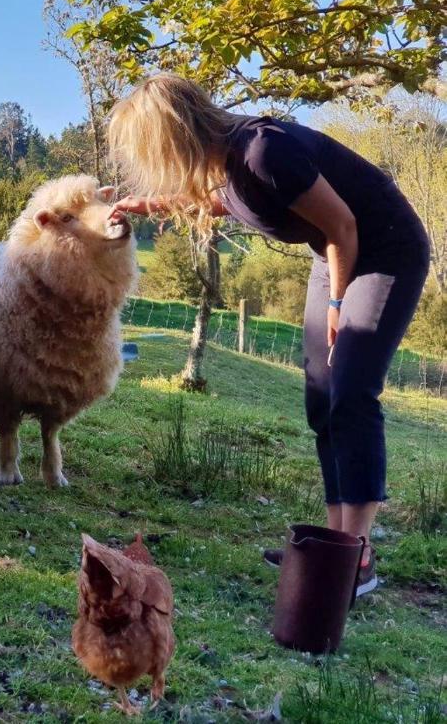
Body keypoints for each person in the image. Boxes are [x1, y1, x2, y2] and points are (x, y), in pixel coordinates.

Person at [108, 73, 430, 597]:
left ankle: (359, 555)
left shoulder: (262, 151)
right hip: (334, 254)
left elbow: (345, 225)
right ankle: (335, 541)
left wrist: (337, 302)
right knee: (321, 396)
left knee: (350, 390)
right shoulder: (229, 165)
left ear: (173, 132)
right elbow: (223, 202)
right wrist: (143, 204)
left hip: (383, 250)